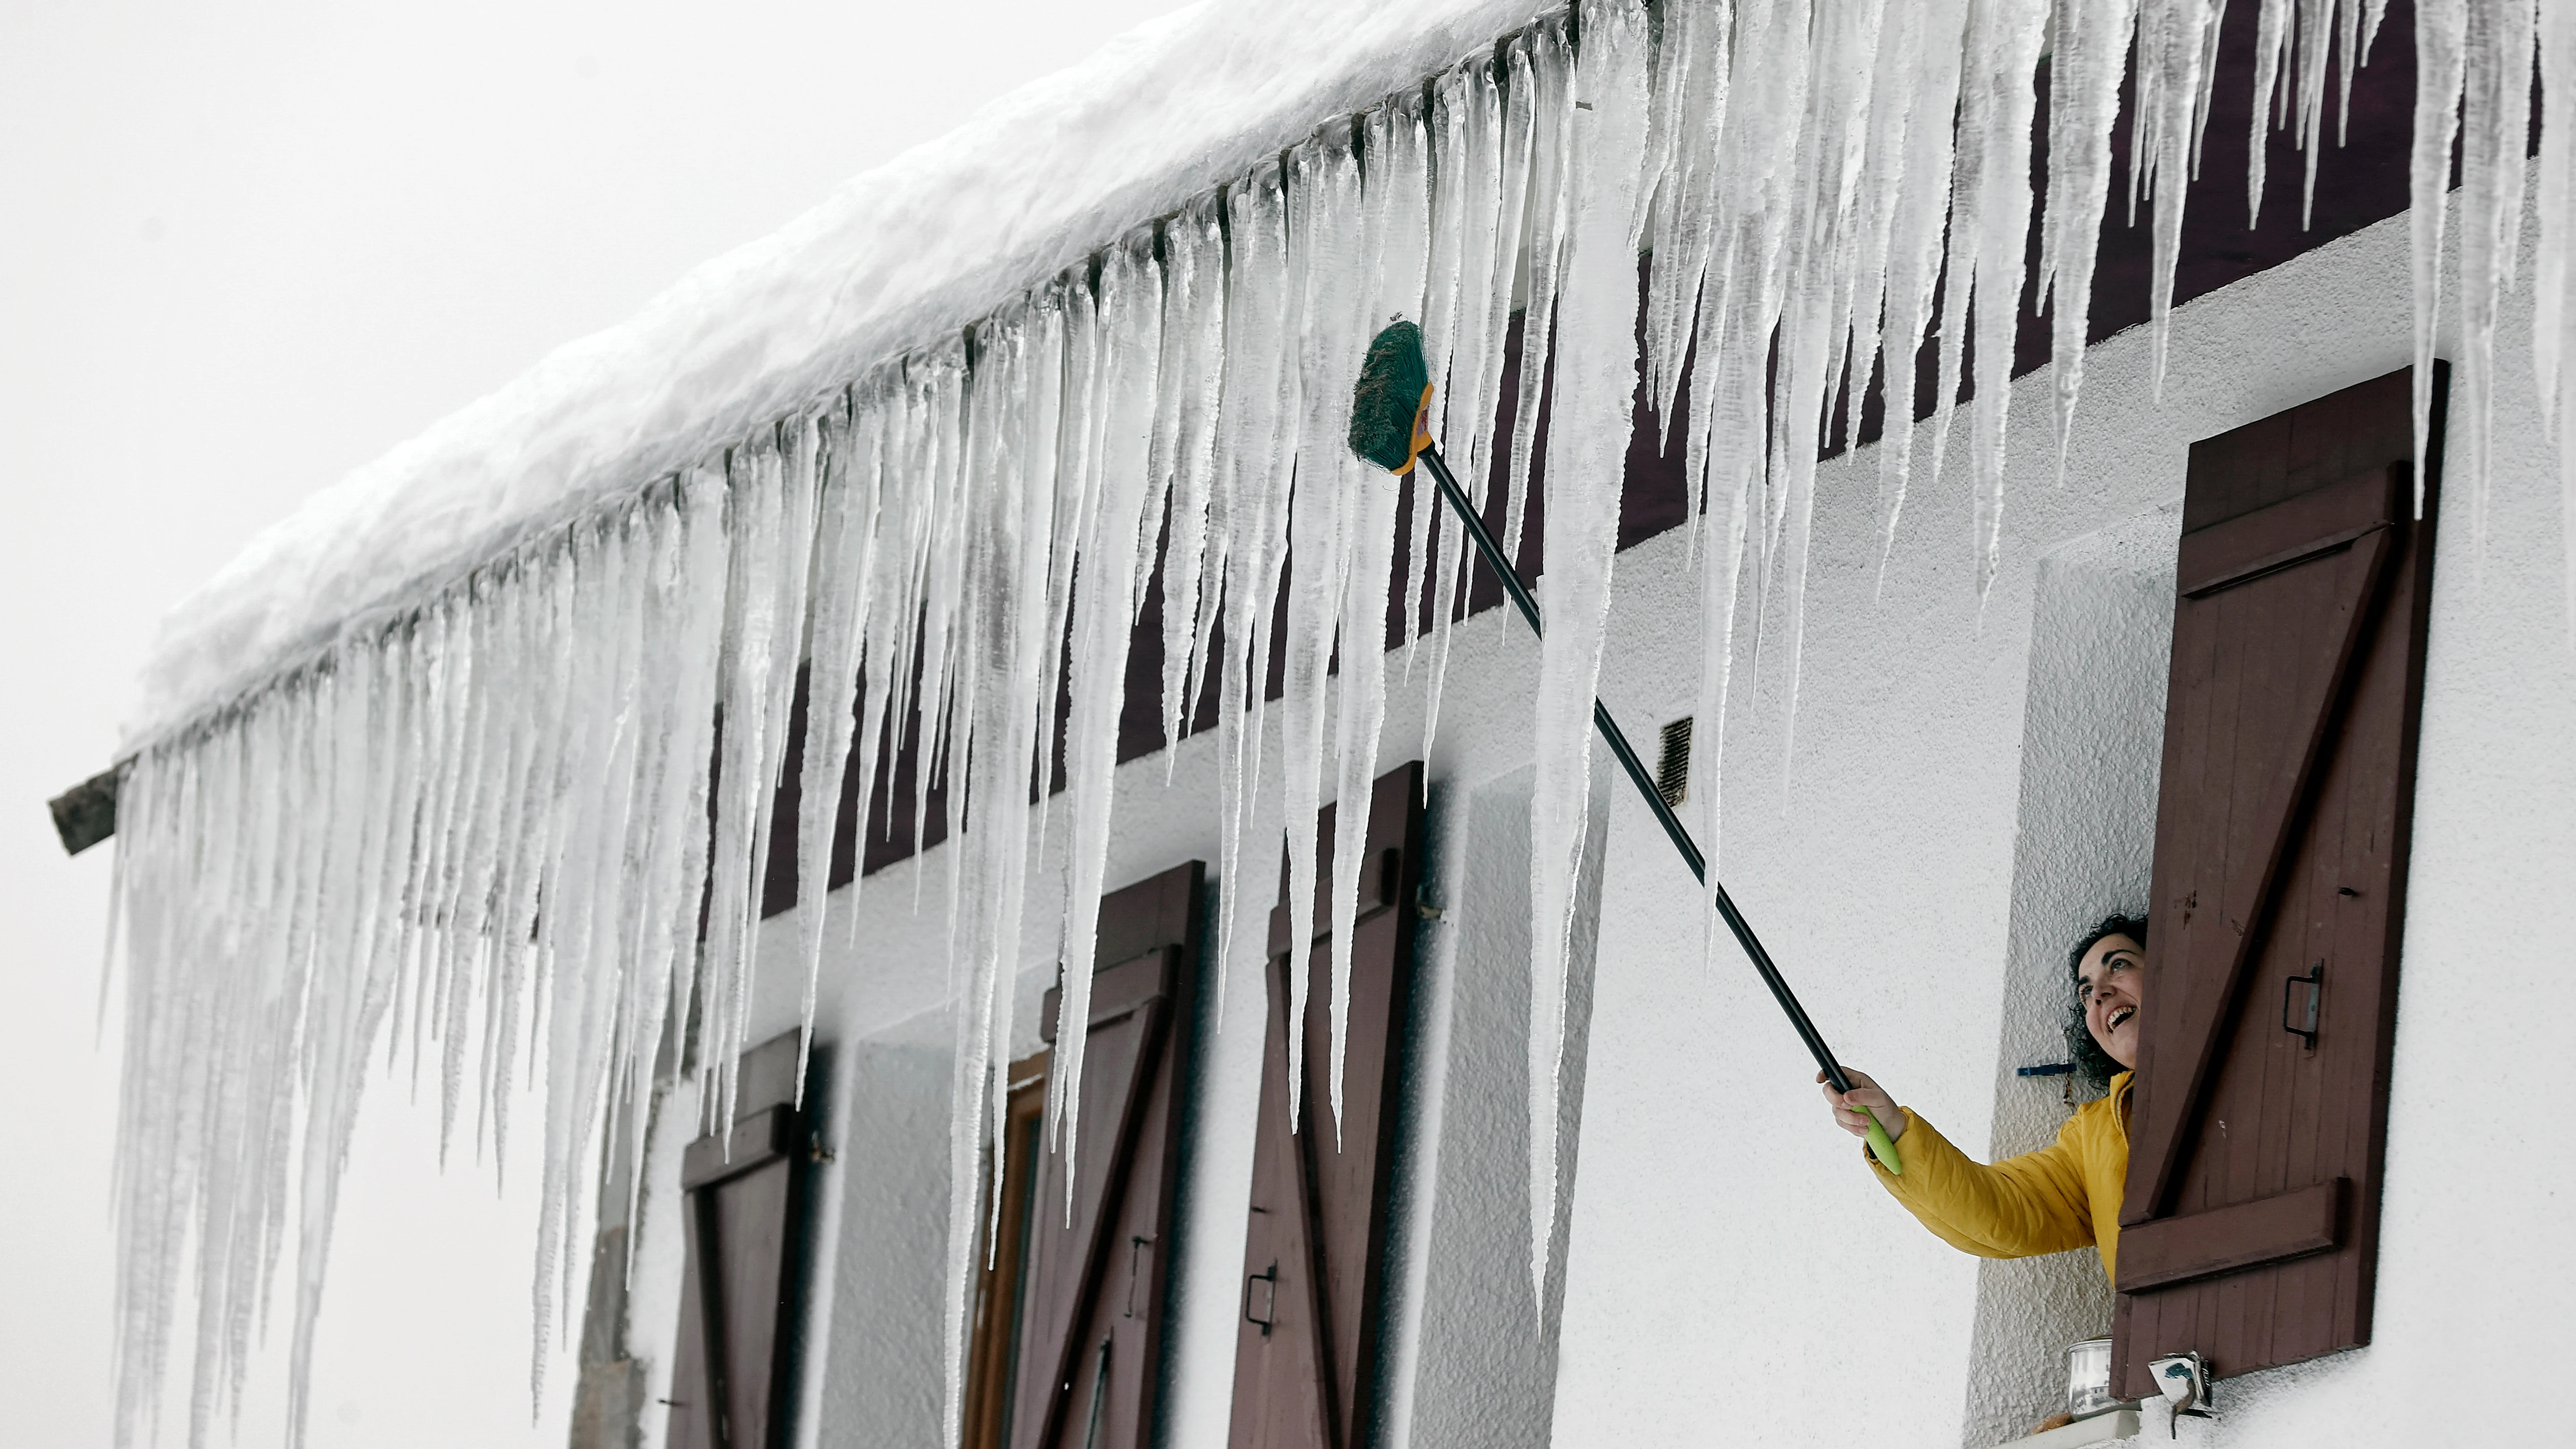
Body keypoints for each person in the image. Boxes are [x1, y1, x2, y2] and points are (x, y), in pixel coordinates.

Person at [1818, 915, 2146, 1282]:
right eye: (2086, 992)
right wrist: (1893, 1127)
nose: (2098, 994)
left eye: (2118, 965)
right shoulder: (2095, 1136)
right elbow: (2001, 1213)